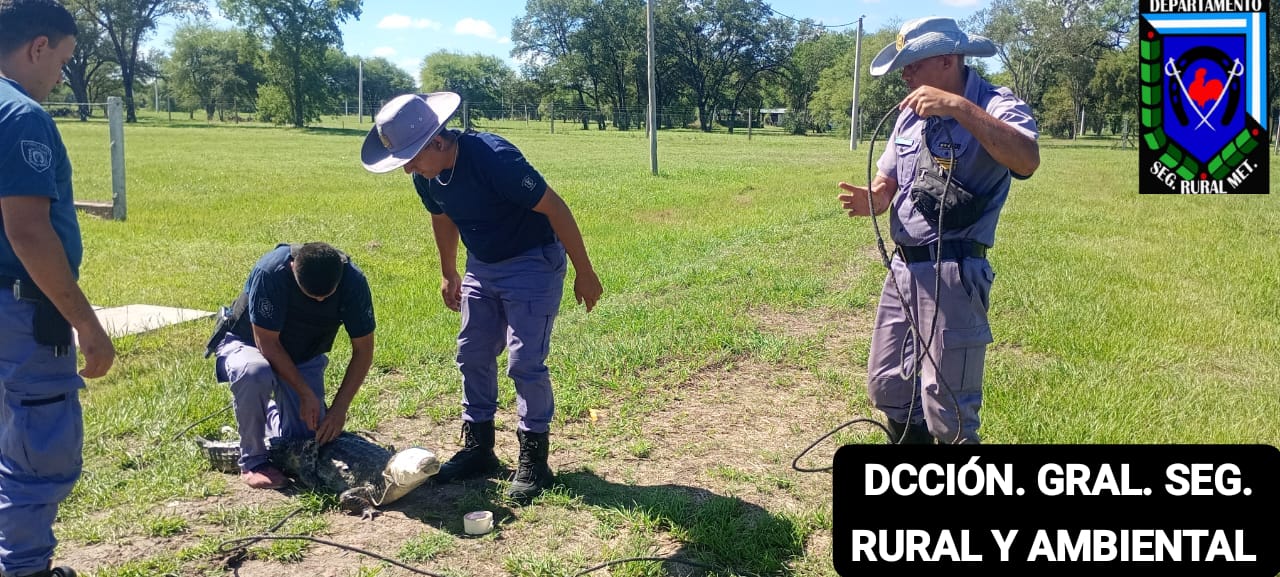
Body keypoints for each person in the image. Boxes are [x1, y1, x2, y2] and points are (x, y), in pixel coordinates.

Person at [361, 92, 602, 503]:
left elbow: (555, 208)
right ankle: (479, 448)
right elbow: (443, 217)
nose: (409, 172)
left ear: (437, 141)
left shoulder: (493, 157)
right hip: (482, 266)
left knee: (525, 362)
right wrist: (449, 271)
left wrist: (585, 271)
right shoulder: (427, 175)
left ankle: (534, 460)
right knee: (472, 352)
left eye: (412, 159)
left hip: (532, 261)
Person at [837, 17, 1039, 445]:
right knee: (889, 386)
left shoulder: (997, 103)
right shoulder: (908, 116)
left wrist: (957, 107)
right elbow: (887, 182)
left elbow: (1026, 159)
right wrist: (873, 198)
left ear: (947, 59)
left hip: (954, 271)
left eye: (912, 64)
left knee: (948, 408)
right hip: (904, 270)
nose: (905, 75)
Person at [0, 1, 116, 575]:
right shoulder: (20, 115)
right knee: (41, 449)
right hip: (21, 314)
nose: (62, 76)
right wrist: (87, 325)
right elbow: (28, 230)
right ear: (38, 47)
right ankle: (24, 569)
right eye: (64, 60)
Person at [208, 242, 376, 489]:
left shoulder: (353, 282)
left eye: (326, 296)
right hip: (250, 343)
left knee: (306, 440)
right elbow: (266, 342)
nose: (319, 300)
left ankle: (265, 417)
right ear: (292, 268)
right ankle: (253, 460)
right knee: (255, 373)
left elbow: (363, 350)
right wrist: (304, 392)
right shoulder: (270, 273)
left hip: (303, 353)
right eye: (312, 295)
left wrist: (340, 408)